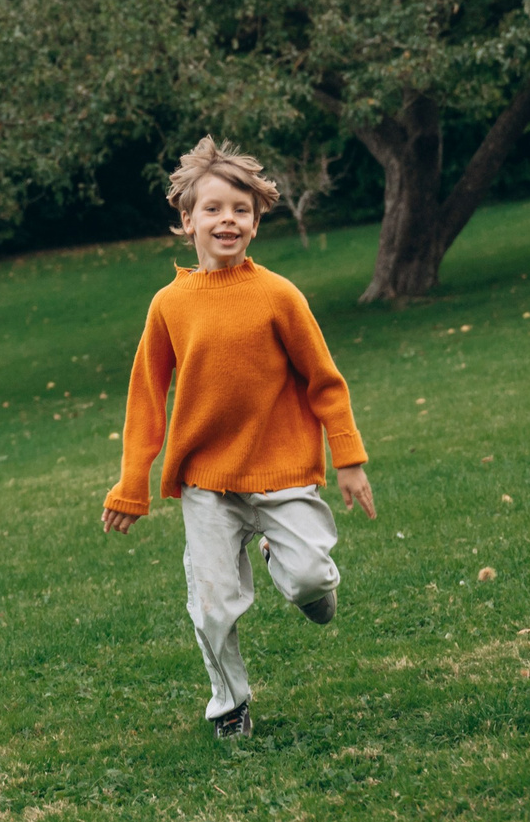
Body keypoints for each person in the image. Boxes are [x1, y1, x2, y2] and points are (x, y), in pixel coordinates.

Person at [101, 137, 377, 739]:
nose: (228, 220)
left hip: (280, 471)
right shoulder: (168, 305)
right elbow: (146, 400)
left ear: (255, 222)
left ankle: (295, 573)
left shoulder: (279, 295)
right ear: (187, 220)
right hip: (206, 483)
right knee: (212, 604)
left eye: (241, 210)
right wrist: (131, 486)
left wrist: (348, 457)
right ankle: (229, 704)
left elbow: (325, 383)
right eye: (214, 209)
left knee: (310, 576)